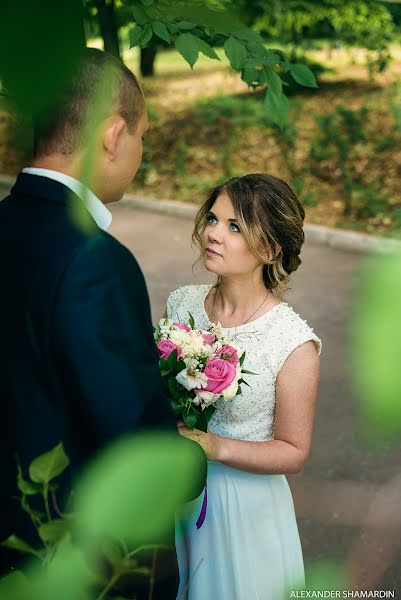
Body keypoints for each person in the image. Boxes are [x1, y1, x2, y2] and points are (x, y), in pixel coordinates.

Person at [0, 48, 206, 597]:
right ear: (112, 135)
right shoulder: (94, 260)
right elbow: (134, 446)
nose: (140, 152)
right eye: (142, 135)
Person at [165, 173, 322, 600]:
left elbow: (293, 451)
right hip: (178, 491)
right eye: (213, 219)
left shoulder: (291, 343)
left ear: (270, 249)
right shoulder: (182, 304)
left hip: (245, 510)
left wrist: (215, 447)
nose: (213, 233)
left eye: (235, 226)